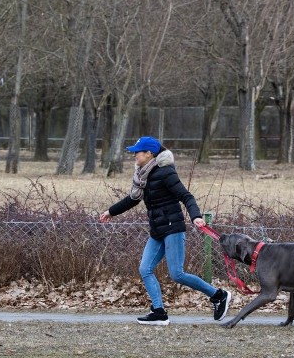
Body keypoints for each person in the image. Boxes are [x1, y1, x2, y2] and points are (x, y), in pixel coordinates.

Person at [99, 136, 231, 326]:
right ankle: (159, 312)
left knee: (177, 274)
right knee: (145, 269)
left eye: (137, 152)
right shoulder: (143, 175)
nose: (134, 155)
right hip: (157, 230)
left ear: (149, 154)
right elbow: (133, 199)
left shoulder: (166, 172)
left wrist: (195, 216)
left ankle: (218, 295)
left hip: (173, 228)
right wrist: (110, 212)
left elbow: (186, 196)